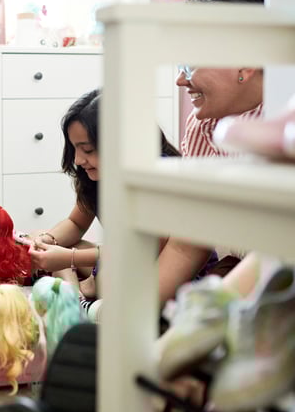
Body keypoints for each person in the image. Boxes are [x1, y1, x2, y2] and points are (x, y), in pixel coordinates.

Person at [29, 89, 215, 305]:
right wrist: (47, 241)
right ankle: (75, 293)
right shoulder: (96, 176)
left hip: (163, 269)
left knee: (103, 272)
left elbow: (146, 249)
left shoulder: (156, 175)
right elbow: (75, 223)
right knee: (39, 235)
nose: (78, 160)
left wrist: (69, 257)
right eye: (75, 149)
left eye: (87, 150)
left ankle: (82, 289)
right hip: (124, 258)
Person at [177, 0, 265, 158]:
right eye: (180, 67)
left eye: (190, 65)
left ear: (246, 65)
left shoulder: (288, 132)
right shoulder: (199, 124)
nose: (179, 80)